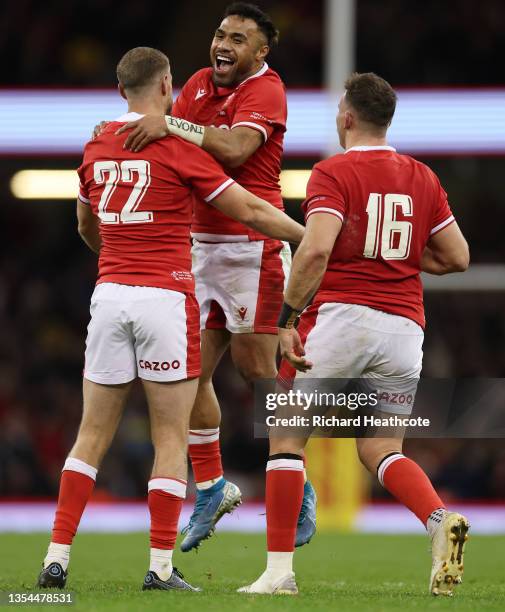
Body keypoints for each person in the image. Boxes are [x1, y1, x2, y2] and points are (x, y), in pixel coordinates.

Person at [37, 46, 304, 592]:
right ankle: (159, 569)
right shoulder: (174, 146)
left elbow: (86, 225)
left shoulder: (94, 145)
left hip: (109, 295)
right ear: (166, 88)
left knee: (89, 436)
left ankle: (55, 559)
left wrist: (118, 254)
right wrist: (311, 240)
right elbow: (250, 210)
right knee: (167, 437)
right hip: (165, 296)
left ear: (119, 91)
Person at [239, 72, 471, 596]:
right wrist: (401, 259)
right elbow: (457, 257)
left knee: (286, 436)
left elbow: (316, 249)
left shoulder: (332, 172)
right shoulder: (423, 177)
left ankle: (278, 574)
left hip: (342, 318)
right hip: (404, 329)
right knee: (380, 447)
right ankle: (438, 521)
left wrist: (287, 319)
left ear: (346, 117)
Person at [113, 2, 317, 552]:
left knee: (257, 370)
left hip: (254, 246)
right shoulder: (199, 83)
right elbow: (167, 143)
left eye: (238, 38)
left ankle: (296, 481)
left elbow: (232, 148)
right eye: (220, 33)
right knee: (186, 373)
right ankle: (211, 486)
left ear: (261, 51)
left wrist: (169, 123)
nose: (223, 44)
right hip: (200, 248)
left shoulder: (268, 91)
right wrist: (126, 131)